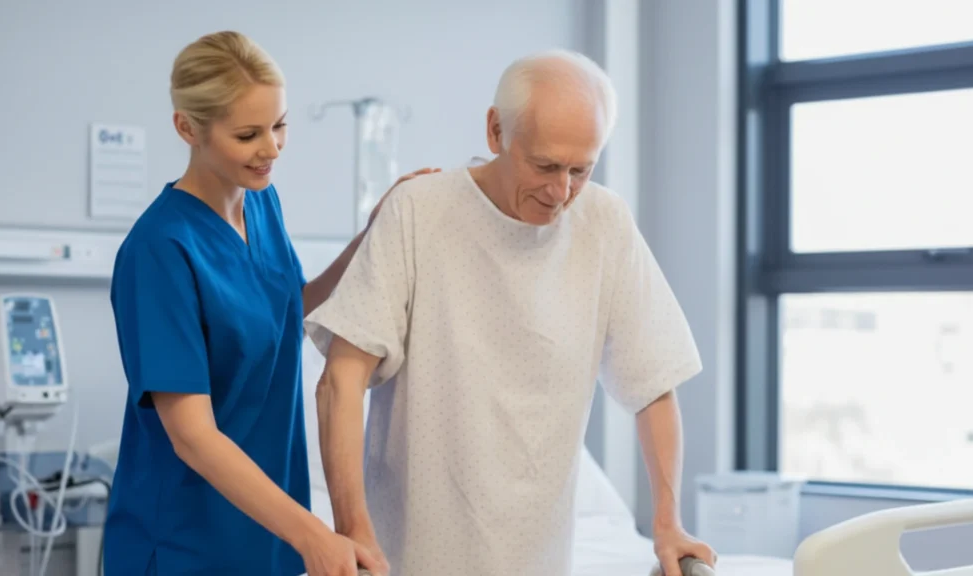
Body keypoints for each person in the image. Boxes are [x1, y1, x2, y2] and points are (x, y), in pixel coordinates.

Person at [303, 48, 717, 576]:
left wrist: (668, 523)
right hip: (409, 557)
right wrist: (353, 529)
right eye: (545, 166)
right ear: (496, 131)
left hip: (539, 558)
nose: (561, 192)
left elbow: (654, 383)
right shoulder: (418, 211)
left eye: (581, 170)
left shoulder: (605, 224)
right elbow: (340, 381)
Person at [104, 30, 434, 576]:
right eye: (248, 134)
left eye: (280, 125)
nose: (272, 148)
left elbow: (288, 311)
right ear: (188, 128)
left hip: (267, 534)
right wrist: (314, 533)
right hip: (186, 543)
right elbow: (192, 435)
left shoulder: (261, 203)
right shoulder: (159, 250)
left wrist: (372, 234)